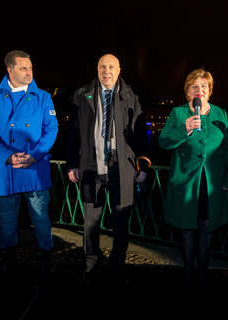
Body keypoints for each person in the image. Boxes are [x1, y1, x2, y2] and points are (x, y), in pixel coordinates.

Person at [66, 54, 149, 285]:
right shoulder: (82, 94)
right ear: (97, 69)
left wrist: (144, 164)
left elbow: (140, 131)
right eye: (102, 66)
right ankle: (91, 263)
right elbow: (72, 131)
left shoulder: (130, 95)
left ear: (119, 69)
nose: (107, 71)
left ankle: (116, 265)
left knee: (121, 222)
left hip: (121, 168)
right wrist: (72, 163)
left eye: (111, 66)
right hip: (91, 167)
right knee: (90, 222)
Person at [0, 50, 58, 290]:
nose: (29, 73)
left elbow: (51, 130)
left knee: (41, 219)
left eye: (31, 68)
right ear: (10, 70)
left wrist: (33, 156)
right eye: (23, 68)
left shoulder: (43, 97)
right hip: (6, 170)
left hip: (34, 169)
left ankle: (45, 262)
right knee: (6, 220)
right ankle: (8, 263)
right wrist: (9, 155)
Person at [159, 69, 228, 293]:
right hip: (185, 181)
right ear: (187, 92)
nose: (199, 90)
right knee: (186, 228)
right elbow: (164, 142)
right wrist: (184, 129)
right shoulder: (178, 113)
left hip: (212, 182)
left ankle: (202, 272)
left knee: (206, 227)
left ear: (210, 91)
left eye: (204, 86)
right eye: (194, 86)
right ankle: (187, 272)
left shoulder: (221, 114)